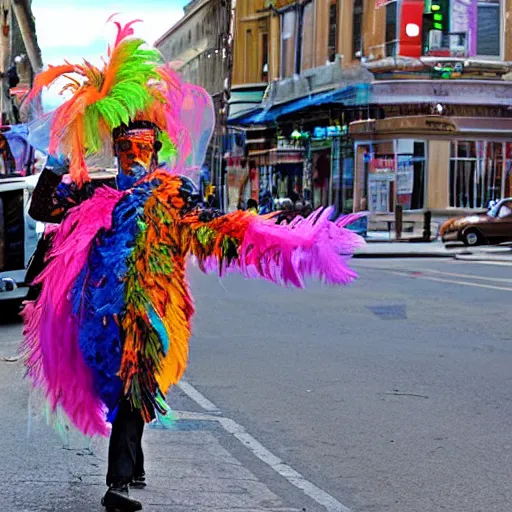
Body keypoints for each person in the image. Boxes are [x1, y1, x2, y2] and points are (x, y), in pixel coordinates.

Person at [22, 18, 364, 512]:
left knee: (136, 383)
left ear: (157, 153)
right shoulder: (97, 193)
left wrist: (281, 238)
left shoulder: (174, 195)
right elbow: (42, 211)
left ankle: (125, 473)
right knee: (126, 385)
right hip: (103, 312)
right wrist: (58, 157)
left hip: (154, 307)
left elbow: (213, 228)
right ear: (114, 153)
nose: (133, 159)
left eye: (142, 150)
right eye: (124, 150)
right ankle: (121, 480)